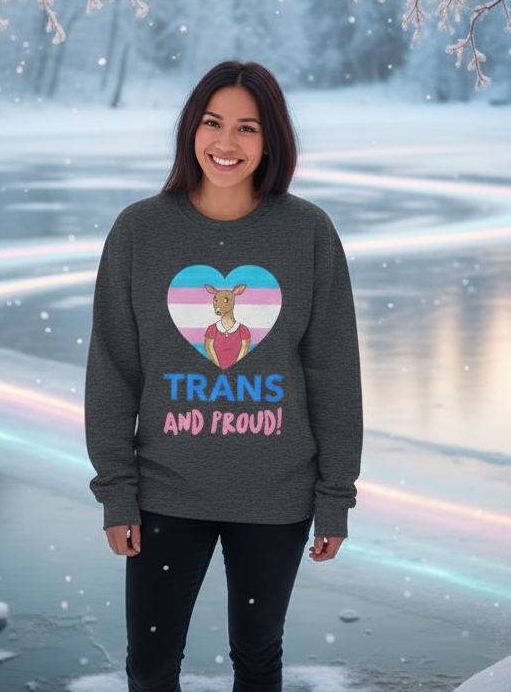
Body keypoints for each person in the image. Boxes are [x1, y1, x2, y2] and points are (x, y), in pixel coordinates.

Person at [85, 60, 363, 692]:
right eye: (213, 123)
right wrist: (117, 494)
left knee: (259, 659)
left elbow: (333, 373)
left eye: (247, 128)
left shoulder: (307, 233)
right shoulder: (140, 231)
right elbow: (113, 371)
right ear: (192, 130)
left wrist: (334, 497)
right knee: (151, 669)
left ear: (272, 142)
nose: (226, 144)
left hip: (277, 495)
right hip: (164, 494)